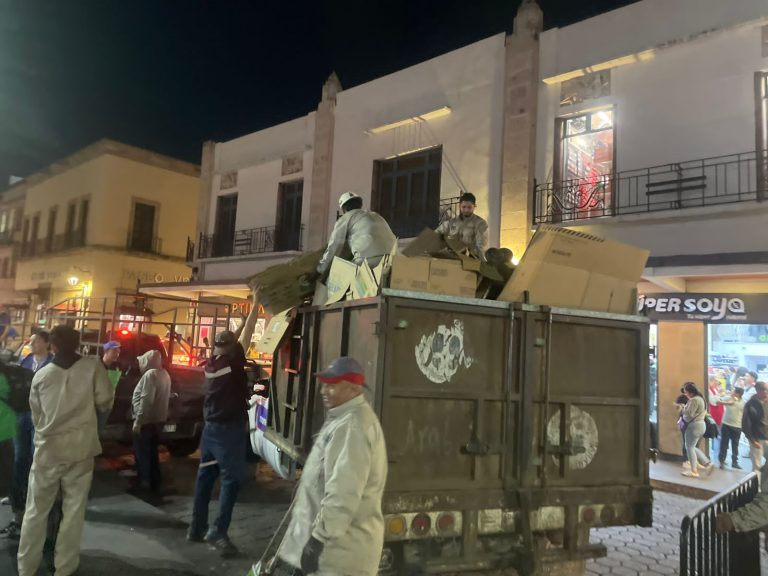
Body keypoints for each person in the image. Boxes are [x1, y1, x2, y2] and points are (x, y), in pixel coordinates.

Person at [274, 356, 387, 576]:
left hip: (340, 555)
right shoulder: (343, 418)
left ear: (353, 390)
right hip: (334, 553)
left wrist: (317, 540)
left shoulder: (352, 427)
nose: (324, 391)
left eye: (333, 386)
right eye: (325, 385)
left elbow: (342, 493)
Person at [16, 325, 114, 576]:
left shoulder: (42, 375)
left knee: (36, 510)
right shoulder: (93, 367)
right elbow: (105, 401)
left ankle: (26, 566)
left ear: (53, 346)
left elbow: (36, 415)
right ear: (79, 343)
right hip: (81, 449)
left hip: (48, 451)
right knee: (74, 509)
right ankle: (65, 567)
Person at [187, 330, 249, 557]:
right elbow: (247, 335)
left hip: (210, 430)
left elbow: (237, 341)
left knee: (205, 477)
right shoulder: (232, 368)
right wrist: (253, 308)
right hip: (227, 432)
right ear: (232, 348)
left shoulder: (212, 365)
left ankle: (196, 526)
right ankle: (218, 531)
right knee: (231, 481)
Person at [1, 331, 52, 538]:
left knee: (32, 457)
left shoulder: (53, 364)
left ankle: (27, 502)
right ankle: (19, 501)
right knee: (20, 459)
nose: (32, 344)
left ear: (48, 344)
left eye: (36, 341)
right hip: (20, 414)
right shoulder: (25, 360)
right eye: (30, 342)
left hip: (37, 415)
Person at [316, 192, 397, 279]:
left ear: (344, 209)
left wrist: (320, 269)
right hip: (392, 260)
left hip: (367, 261)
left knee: (333, 278)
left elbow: (334, 247)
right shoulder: (376, 216)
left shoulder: (345, 218)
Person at [131, 349, 171, 498]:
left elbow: (146, 400)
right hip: (158, 421)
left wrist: (138, 421)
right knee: (152, 453)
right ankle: (155, 482)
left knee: (143, 454)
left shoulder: (150, 375)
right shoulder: (164, 374)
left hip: (147, 422)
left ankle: (144, 484)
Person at [435, 192, 489, 261]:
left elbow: (480, 247)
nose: (466, 210)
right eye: (463, 207)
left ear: (474, 206)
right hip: (451, 259)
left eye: (469, 207)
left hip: (469, 260)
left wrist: (482, 264)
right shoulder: (451, 222)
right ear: (460, 206)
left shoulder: (480, 224)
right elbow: (436, 233)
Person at [680, 382, 714, 478]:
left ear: (691, 392)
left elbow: (689, 414)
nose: (685, 394)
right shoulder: (701, 399)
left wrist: (683, 409)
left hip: (693, 426)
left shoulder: (694, 400)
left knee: (689, 447)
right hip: (701, 425)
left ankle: (694, 471)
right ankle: (707, 463)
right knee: (692, 447)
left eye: (686, 392)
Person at [742, 380, 768, 473]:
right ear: (758, 390)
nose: (766, 392)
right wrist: (752, 440)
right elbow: (745, 424)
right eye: (764, 390)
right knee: (756, 465)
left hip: (766, 437)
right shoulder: (750, 404)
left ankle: (765, 484)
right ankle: (757, 487)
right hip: (757, 439)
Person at [717, 387, 745, 470]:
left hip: (737, 426)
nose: (732, 392)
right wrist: (727, 403)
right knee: (724, 443)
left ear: (738, 394)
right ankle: (722, 461)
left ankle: (734, 462)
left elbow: (744, 415)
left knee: (735, 445)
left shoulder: (743, 402)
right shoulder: (728, 398)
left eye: (734, 391)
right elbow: (717, 402)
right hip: (726, 425)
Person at [708, 376, 725, 458]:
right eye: (715, 381)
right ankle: (716, 451)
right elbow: (713, 402)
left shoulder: (715, 389)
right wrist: (719, 396)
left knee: (719, 432)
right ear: (711, 381)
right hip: (715, 413)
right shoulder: (709, 390)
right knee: (717, 433)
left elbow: (719, 400)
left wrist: (719, 397)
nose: (716, 383)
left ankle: (717, 451)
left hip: (720, 412)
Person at [674, 387, 689, 463]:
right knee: (685, 440)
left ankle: (690, 459)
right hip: (684, 421)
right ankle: (685, 458)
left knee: (690, 441)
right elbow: (677, 408)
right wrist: (680, 406)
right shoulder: (681, 398)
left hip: (691, 421)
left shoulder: (694, 398)